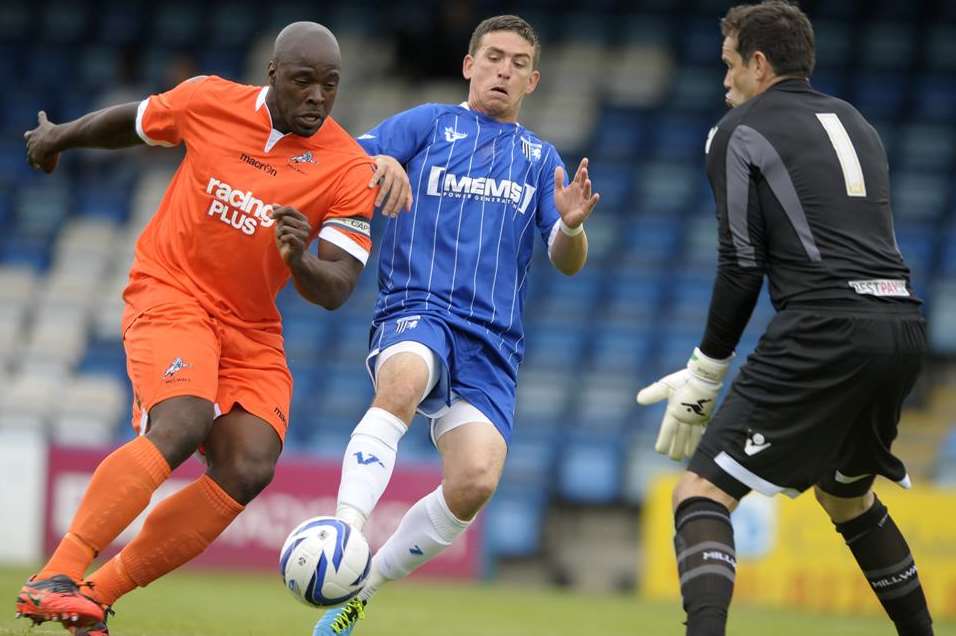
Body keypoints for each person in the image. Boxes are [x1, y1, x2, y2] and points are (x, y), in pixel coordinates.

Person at [16, 21, 393, 636]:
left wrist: (300, 260)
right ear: (272, 74)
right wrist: (60, 136)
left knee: (250, 465)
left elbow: (339, 287)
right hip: (172, 292)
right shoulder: (209, 100)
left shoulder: (349, 168)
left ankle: (93, 598)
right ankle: (56, 573)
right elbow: (132, 122)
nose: (318, 97)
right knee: (185, 418)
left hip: (250, 325)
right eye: (304, 81)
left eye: (330, 85)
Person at [636, 2, 933, 635]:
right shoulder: (856, 123)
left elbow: (741, 262)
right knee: (848, 497)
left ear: (759, 64)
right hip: (901, 325)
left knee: (701, 494)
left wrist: (705, 374)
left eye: (730, 65)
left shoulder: (737, 130)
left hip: (828, 325)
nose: (725, 81)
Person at [310, 14, 600, 636]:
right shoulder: (426, 123)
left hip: (493, 341)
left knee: (474, 481)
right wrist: (378, 165)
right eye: (493, 57)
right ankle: (344, 528)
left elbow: (565, 261)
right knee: (405, 378)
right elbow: (343, 163)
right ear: (469, 65)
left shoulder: (539, 159)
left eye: (518, 63)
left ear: (534, 79)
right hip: (419, 306)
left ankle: (361, 589)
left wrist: (572, 226)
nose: (503, 70)